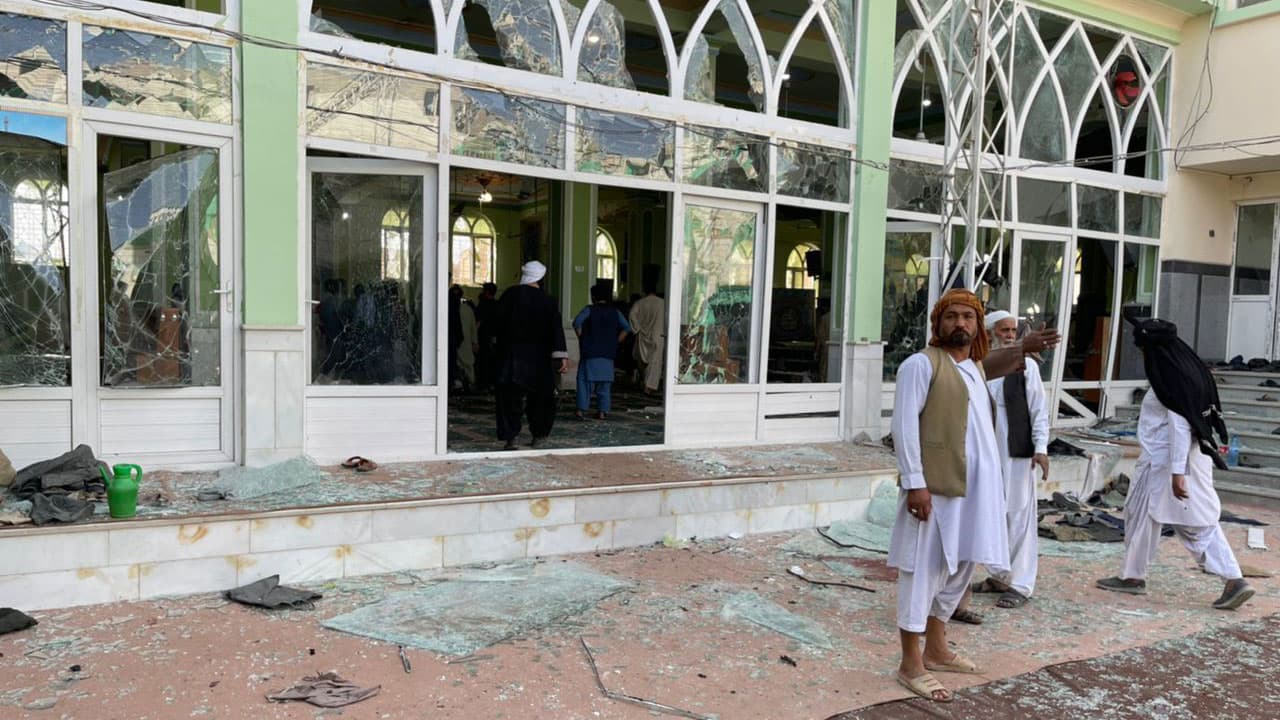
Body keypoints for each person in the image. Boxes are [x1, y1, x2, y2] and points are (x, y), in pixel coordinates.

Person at [889, 289, 1059, 703]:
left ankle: (937, 648)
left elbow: (996, 363)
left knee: (962, 566)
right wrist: (915, 483)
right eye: (952, 317)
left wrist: (1025, 347)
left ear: (976, 326)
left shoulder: (974, 369)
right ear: (938, 324)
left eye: (968, 317)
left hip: (976, 494)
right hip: (936, 491)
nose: (960, 324)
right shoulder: (920, 365)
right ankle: (911, 663)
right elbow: (904, 428)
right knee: (923, 570)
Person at [1096, 318, 1254, 611]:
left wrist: (1177, 473)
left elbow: (1180, 426)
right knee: (1140, 515)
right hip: (1166, 462)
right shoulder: (1185, 369)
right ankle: (1132, 576)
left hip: (1171, 463)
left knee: (1195, 527)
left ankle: (1233, 579)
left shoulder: (1171, 378)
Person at [965, 310, 1050, 613]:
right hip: (986, 453)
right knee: (991, 514)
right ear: (988, 332)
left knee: (1019, 517)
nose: (1010, 335)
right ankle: (1000, 576)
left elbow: (1039, 409)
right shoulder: (978, 366)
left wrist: (1041, 447)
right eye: (1003, 330)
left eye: (1013, 330)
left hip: (1016, 452)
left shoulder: (1026, 365)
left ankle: (1021, 583)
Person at [493, 261, 569, 450]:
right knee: (541, 398)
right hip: (539, 359)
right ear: (541, 278)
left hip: (512, 357)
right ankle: (539, 435)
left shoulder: (510, 295)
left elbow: (496, 324)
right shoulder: (548, 301)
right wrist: (562, 357)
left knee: (509, 398)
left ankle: (511, 437)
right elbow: (556, 330)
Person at [574, 283, 632, 420]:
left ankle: (581, 410)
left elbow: (577, 322)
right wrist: (616, 341)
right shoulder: (615, 312)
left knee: (584, 382)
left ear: (593, 297)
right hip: (608, 353)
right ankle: (602, 411)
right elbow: (627, 328)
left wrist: (581, 337)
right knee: (605, 384)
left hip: (590, 352)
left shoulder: (589, 310)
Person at [629, 280, 665, 395]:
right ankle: (649, 386)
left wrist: (638, 329)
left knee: (643, 360)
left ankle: (645, 382)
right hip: (657, 335)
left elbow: (632, 315)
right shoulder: (663, 303)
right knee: (655, 362)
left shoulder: (640, 303)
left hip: (643, 335)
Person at [475, 282, 498, 392]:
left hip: (483, 337)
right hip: (495, 337)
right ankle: (491, 383)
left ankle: (483, 384)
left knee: (482, 362)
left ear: (487, 292)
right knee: (492, 361)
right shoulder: (498, 305)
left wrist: (474, 338)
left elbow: (478, 323)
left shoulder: (483, 305)